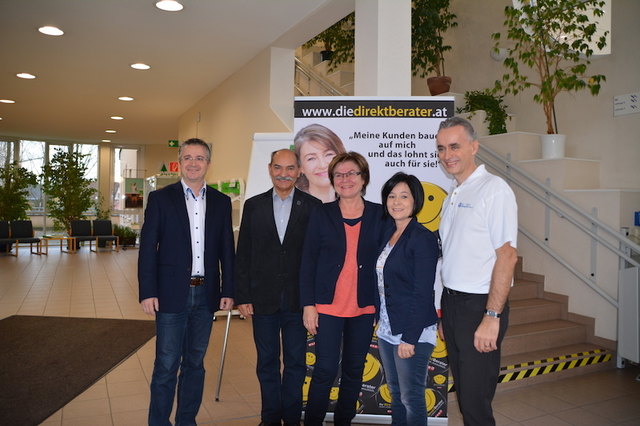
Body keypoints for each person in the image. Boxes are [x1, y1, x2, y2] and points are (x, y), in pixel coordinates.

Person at [138, 138, 235, 426]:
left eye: (200, 158)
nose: (194, 163)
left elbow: (227, 249)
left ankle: (186, 421)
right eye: (188, 157)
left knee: (195, 363)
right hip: (170, 293)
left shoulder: (221, 202)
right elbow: (148, 248)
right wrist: (147, 291)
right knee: (166, 364)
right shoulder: (161, 199)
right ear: (180, 162)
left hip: (206, 294)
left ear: (208, 163)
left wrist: (229, 289)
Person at [436, 117, 518, 426]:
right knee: (465, 394)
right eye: (441, 148)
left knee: (475, 401)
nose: (447, 155)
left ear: (474, 147)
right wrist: (445, 312)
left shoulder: (493, 189)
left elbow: (507, 256)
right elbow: (452, 256)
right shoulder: (454, 193)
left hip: (480, 305)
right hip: (453, 303)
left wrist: (491, 316)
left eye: (454, 146)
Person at [235, 149, 322, 426]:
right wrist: (242, 296)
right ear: (270, 169)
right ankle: (270, 418)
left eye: (290, 168)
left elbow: (317, 256)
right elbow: (243, 253)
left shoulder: (313, 206)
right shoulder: (253, 206)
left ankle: (292, 419)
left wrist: (313, 300)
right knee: (267, 362)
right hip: (262, 299)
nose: (284, 174)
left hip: (298, 301)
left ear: (299, 171)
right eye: (278, 167)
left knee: (296, 363)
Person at [299, 151, 385, 426]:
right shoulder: (321, 213)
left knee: (354, 370)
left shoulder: (379, 214)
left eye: (352, 174)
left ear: (364, 178)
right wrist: (308, 304)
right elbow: (308, 261)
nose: (345, 179)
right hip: (327, 307)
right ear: (333, 179)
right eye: (339, 175)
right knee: (324, 369)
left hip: (364, 307)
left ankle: (343, 421)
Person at [376, 172, 439, 426]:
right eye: (392, 196)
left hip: (412, 331)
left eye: (404, 196)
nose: (396, 202)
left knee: (411, 398)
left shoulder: (422, 238)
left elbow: (423, 293)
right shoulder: (389, 233)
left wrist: (409, 338)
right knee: (396, 394)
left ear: (416, 201)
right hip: (387, 328)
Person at [293, 123, 346, 203]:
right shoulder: (293, 207)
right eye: (311, 158)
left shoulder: (357, 204)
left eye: (328, 154)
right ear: (300, 167)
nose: (322, 165)